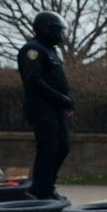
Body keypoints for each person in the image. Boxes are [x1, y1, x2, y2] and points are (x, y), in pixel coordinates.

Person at [17, 11, 73, 201]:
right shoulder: (32, 50)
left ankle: (46, 185)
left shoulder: (52, 51)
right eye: (57, 30)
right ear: (46, 29)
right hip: (41, 107)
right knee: (48, 148)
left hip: (56, 108)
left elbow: (58, 80)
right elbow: (34, 81)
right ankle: (41, 189)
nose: (60, 34)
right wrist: (60, 98)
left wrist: (66, 102)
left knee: (63, 147)